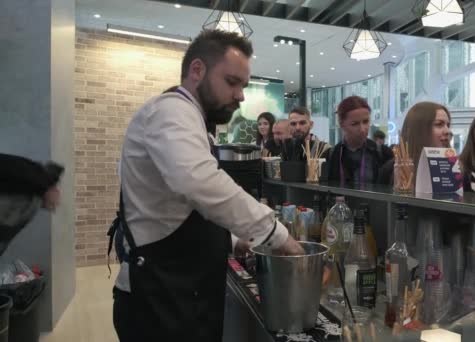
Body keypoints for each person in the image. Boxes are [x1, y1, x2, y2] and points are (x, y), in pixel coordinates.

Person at [109, 29, 303, 342]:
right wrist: (278, 236)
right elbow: (198, 181)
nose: (241, 95)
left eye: (243, 85)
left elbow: (175, 211)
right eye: (232, 82)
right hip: (158, 304)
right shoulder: (170, 110)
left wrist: (233, 240)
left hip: (181, 298)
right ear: (197, 70)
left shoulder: (193, 121)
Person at [378, 102, 452, 184]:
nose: (447, 131)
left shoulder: (453, 167)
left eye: (448, 125)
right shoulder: (391, 170)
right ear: (419, 130)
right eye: (439, 124)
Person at [327, 96, 384, 184]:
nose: (362, 129)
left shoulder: (382, 153)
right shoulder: (331, 154)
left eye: (366, 122)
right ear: (341, 124)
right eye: (355, 124)